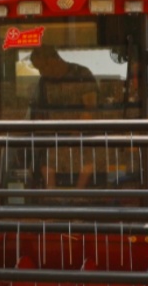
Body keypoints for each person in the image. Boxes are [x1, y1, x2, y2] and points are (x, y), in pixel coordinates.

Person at [28, 45, 98, 190]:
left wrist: (75, 132)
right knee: (46, 162)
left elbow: (90, 109)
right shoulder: (44, 82)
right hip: (54, 137)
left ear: (52, 61)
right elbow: (39, 112)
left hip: (82, 136)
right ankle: (51, 195)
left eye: (41, 67)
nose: (40, 72)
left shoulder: (82, 75)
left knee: (88, 162)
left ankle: (78, 195)